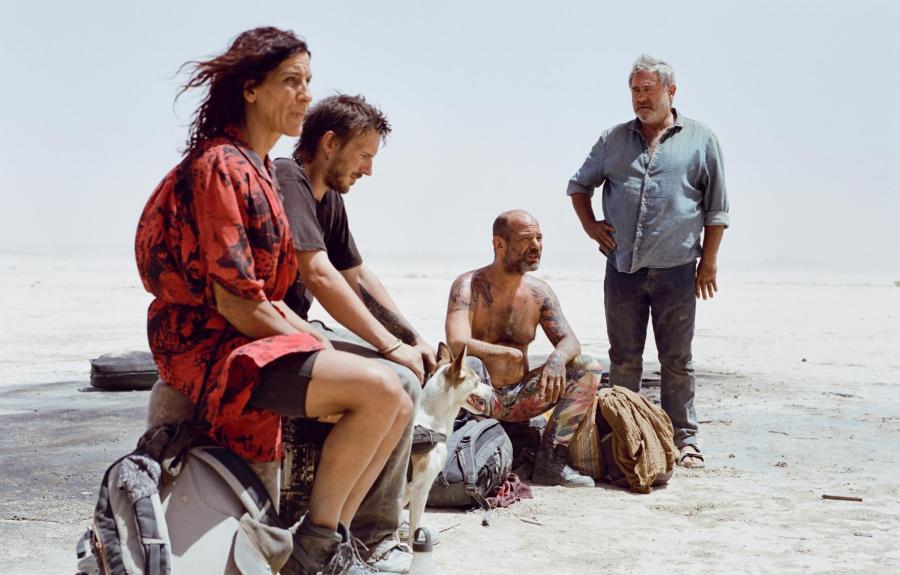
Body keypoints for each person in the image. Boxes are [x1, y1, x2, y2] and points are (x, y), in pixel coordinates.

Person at [135, 27, 412, 574]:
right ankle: (313, 552)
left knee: (398, 393)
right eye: (292, 81)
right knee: (382, 390)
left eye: (308, 81)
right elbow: (239, 305)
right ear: (251, 88)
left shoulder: (257, 168)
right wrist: (322, 349)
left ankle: (327, 543)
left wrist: (340, 349)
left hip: (249, 338)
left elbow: (271, 298)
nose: (306, 94)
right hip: (210, 348)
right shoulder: (222, 167)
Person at [274, 94, 435, 573]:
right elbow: (321, 276)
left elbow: (358, 276)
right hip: (272, 333)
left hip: (303, 331)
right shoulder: (288, 178)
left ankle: (355, 536)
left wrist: (412, 338)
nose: (368, 170)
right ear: (328, 143)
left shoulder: (331, 199)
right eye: (364, 156)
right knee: (395, 379)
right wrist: (389, 347)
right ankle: (360, 536)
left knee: (403, 373)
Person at [567, 54, 730, 469]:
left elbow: (716, 209)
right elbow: (578, 186)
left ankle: (685, 439)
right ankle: (623, 434)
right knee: (624, 358)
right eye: (635, 90)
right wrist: (591, 227)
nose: (640, 98)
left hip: (678, 269)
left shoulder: (701, 139)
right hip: (622, 269)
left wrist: (707, 263)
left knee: (677, 359)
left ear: (670, 91)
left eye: (648, 89)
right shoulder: (613, 139)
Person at [444, 210, 601, 487]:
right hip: (478, 397)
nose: (537, 246)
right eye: (528, 239)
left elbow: (570, 341)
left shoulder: (539, 293)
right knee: (471, 366)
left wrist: (556, 358)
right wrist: (508, 354)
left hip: (521, 398)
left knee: (587, 366)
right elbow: (456, 342)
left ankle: (552, 462)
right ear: (499, 244)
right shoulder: (468, 285)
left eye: (540, 238)